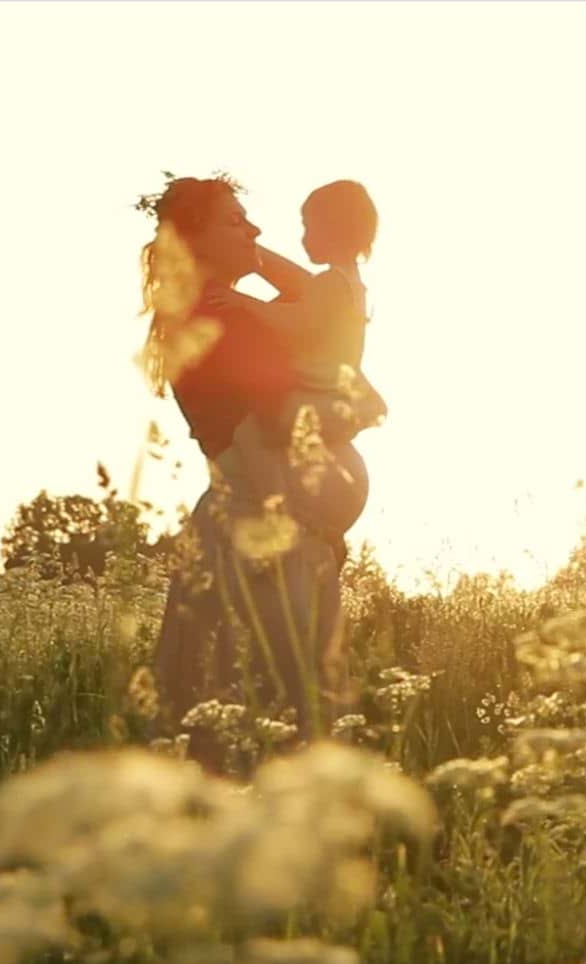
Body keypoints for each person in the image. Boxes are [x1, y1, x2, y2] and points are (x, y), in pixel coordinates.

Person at [138, 175, 384, 755]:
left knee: (266, 709)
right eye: (235, 221)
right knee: (265, 709)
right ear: (196, 241)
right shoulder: (218, 323)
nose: (255, 228)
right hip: (266, 531)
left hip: (281, 527)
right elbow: (250, 434)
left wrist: (251, 258)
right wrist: (296, 523)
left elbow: (325, 304)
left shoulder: (229, 313)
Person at [201, 181, 380, 521]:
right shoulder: (352, 284)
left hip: (318, 391)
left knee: (249, 432)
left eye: (310, 228)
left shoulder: (330, 283)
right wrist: (254, 257)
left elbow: (298, 323)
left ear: (335, 231)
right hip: (334, 390)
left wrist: (244, 302)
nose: (304, 238)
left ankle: (275, 505)